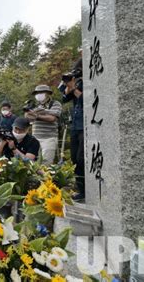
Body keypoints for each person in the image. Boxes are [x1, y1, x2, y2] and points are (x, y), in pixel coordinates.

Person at [59, 57, 85, 199]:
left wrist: (74, 88)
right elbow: (64, 98)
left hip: (85, 125)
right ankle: (81, 190)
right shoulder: (77, 82)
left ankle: (86, 190)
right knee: (75, 158)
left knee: (82, 157)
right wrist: (68, 85)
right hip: (75, 125)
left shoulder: (89, 82)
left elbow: (85, 99)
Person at [25, 85, 62, 165]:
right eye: (37, 93)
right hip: (35, 138)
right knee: (33, 162)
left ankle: (46, 177)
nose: (39, 94)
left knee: (46, 162)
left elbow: (52, 118)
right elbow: (29, 119)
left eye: (41, 92)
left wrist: (37, 115)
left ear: (48, 93)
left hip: (49, 138)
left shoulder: (55, 104)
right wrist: (28, 115)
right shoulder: (35, 105)